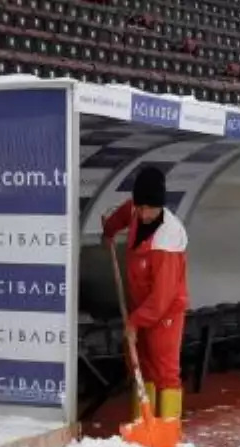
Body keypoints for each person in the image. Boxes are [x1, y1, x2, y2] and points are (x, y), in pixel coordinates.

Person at [101, 166, 189, 428]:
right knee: (142, 367)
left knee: (165, 370)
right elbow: (120, 216)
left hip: (166, 311)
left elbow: (162, 298)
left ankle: (169, 429)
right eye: (140, 207)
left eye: (149, 209)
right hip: (141, 304)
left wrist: (134, 322)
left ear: (160, 205)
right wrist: (109, 232)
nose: (143, 213)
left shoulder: (167, 239)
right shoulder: (137, 210)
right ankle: (142, 424)